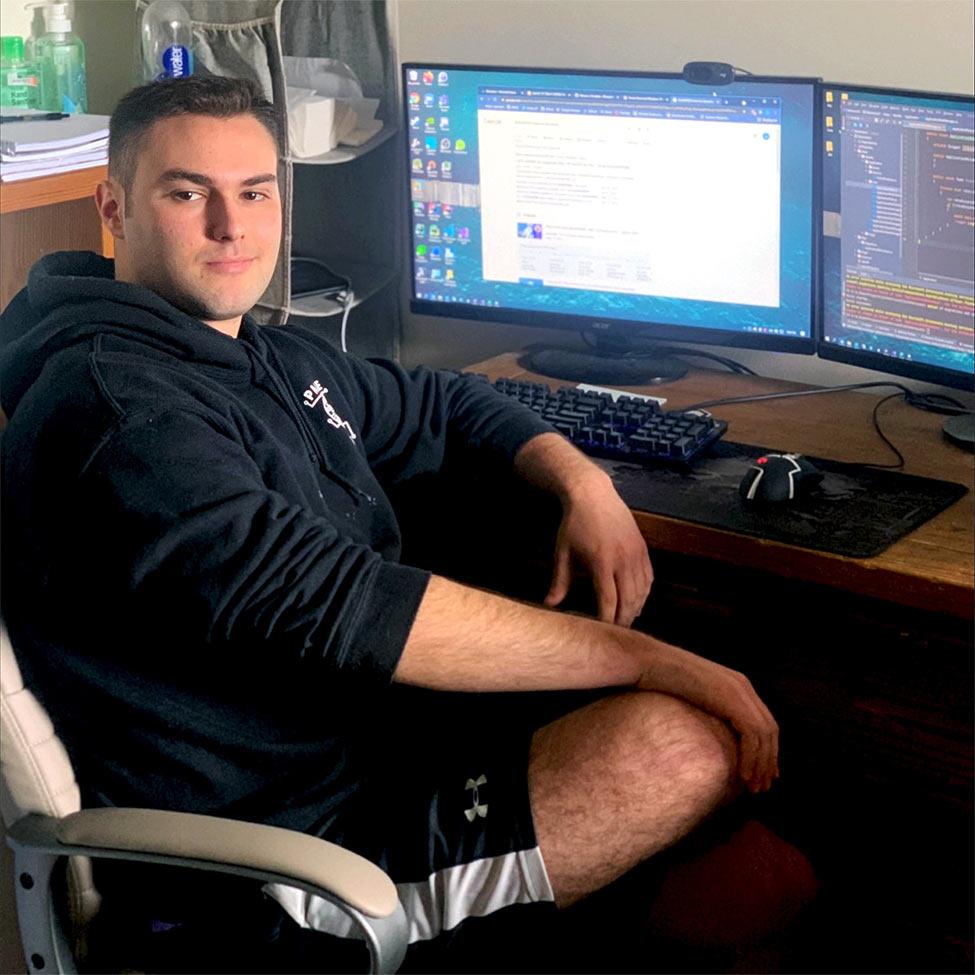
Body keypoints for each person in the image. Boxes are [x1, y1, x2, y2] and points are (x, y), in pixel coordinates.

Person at [0, 76, 786, 966]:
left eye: (255, 192)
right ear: (114, 207)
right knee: (678, 749)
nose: (233, 227)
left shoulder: (250, 349)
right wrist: (654, 660)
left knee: (748, 851)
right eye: (188, 194)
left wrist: (583, 481)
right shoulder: (119, 409)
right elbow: (338, 601)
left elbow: (442, 400)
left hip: (371, 748)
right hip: (280, 857)